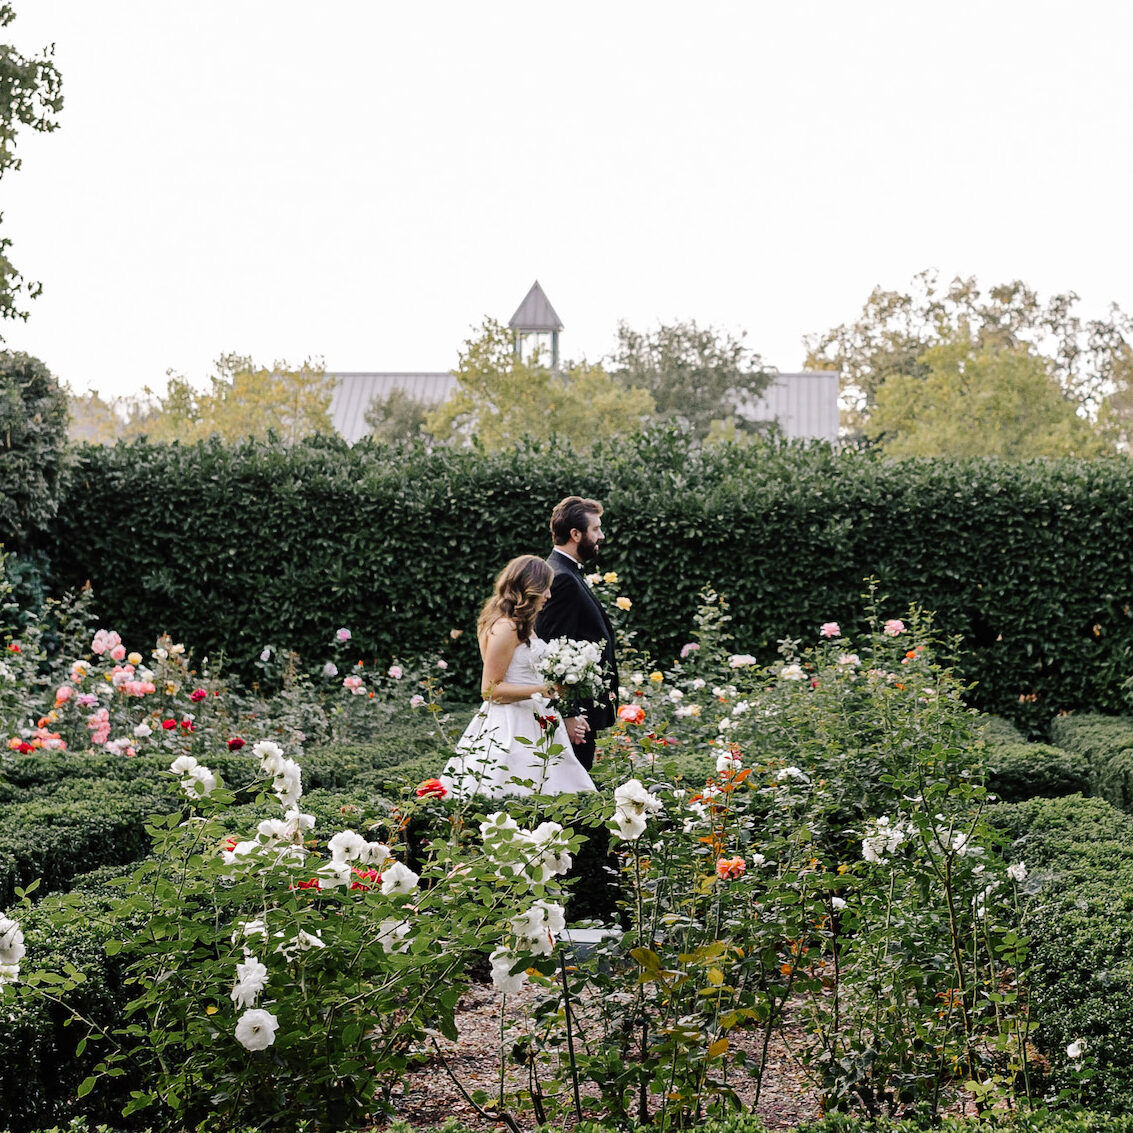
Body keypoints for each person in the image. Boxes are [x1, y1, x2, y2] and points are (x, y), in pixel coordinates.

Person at [443, 554, 596, 798]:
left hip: (536, 718)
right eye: (545, 588)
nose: (548, 595)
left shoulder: (521, 625)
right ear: (530, 588)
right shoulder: (505, 627)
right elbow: (490, 690)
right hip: (513, 725)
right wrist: (544, 690)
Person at [535, 496, 618, 771]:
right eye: (596, 529)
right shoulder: (561, 579)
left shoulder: (569, 573)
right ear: (575, 534)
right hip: (574, 718)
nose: (601, 536)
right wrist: (570, 714)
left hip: (579, 714)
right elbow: (552, 653)